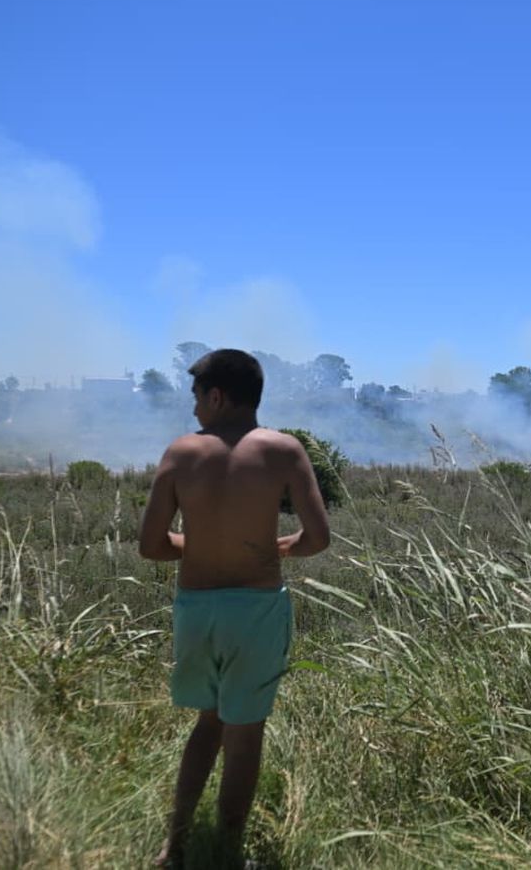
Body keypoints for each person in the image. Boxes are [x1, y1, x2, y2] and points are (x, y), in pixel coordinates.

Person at [139, 348, 331, 868]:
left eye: (197, 398)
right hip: (256, 609)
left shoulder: (181, 453)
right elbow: (317, 538)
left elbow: (152, 545)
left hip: (197, 609)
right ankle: (226, 851)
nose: (194, 409)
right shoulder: (285, 450)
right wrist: (273, 548)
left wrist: (198, 545)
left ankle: (174, 847)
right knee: (245, 732)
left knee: (208, 723)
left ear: (217, 396)